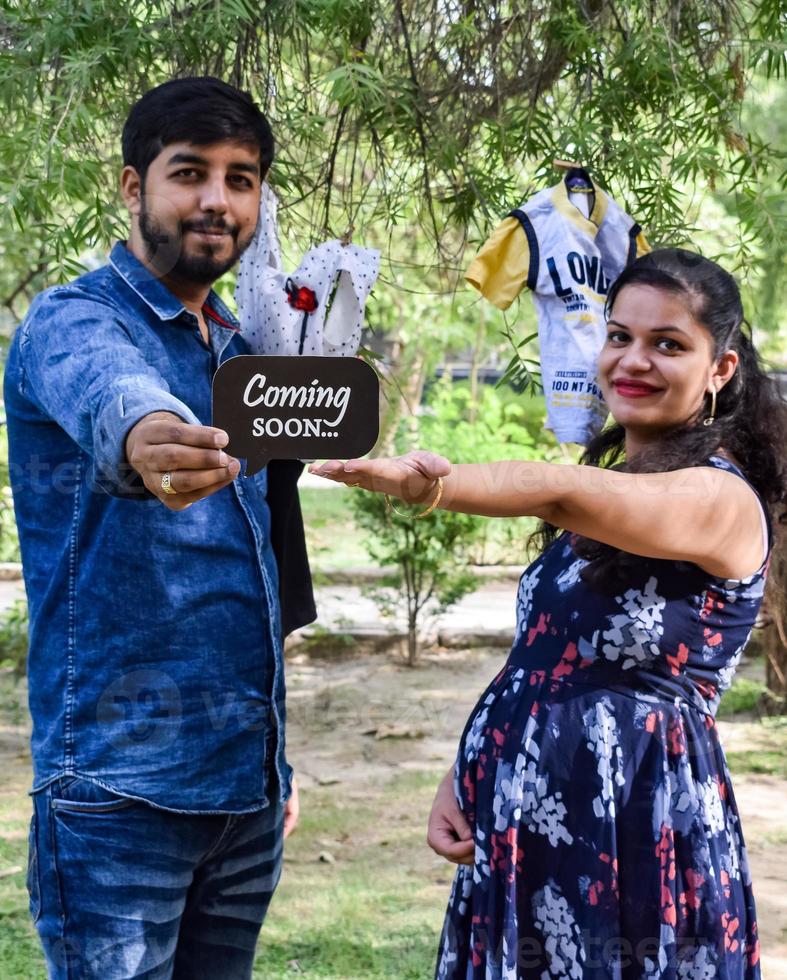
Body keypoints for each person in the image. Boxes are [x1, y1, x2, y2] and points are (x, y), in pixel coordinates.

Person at [310, 249, 787, 979]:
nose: (633, 360)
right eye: (619, 336)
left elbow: (554, 491)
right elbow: (543, 654)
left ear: (719, 369)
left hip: (631, 816)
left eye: (667, 344)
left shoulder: (719, 499)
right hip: (526, 814)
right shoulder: (620, 484)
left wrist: (423, 486)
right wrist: (463, 771)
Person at [5, 77, 310, 979]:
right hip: (116, 797)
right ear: (134, 187)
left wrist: (270, 769)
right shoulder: (74, 320)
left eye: (242, 178)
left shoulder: (244, 350)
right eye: (191, 173)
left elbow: (260, 549)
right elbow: (114, 394)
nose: (218, 199)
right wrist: (150, 437)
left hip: (244, 795)